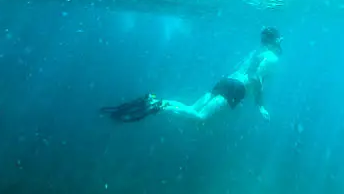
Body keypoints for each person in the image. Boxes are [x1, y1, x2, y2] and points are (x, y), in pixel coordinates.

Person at [100, 26, 282, 123]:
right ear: (276, 41)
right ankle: (159, 106)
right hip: (237, 88)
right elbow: (255, 79)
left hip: (226, 81)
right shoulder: (272, 58)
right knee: (199, 117)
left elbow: (239, 68)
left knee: (192, 107)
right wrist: (260, 105)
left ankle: (158, 101)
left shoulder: (254, 51)